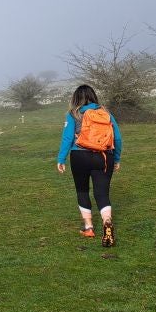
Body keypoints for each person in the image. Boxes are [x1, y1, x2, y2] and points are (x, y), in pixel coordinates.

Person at [56, 84, 122, 247]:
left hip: (80, 155)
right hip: (104, 156)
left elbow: (67, 138)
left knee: (82, 190)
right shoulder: (105, 112)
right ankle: (107, 222)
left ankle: (89, 227)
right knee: (102, 193)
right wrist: (117, 158)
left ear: (76, 98)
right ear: (93, 96)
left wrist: (61, 159)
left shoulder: (73, 114)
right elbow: (118, 138)